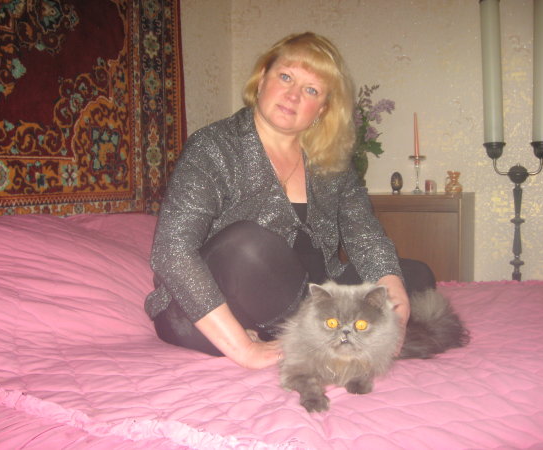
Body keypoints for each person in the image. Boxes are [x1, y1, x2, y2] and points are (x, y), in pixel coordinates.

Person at [146, 32, 433, 369]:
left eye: (311, 90)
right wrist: (245, 350)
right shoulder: (214, 146)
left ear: (322, 108)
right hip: (218, 305)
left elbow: (366, 237)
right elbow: (172, 251)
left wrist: (395, 301)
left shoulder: (332, 161)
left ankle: (317, 336)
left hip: (307, 296)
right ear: (262, 79)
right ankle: (326, 338)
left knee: (412, 277)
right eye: (285, 77)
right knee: (246, 246)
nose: (293, 95)